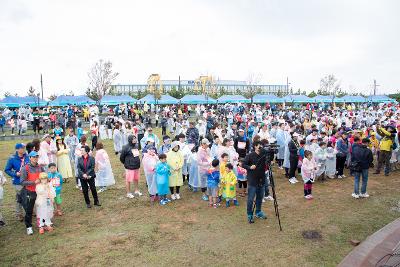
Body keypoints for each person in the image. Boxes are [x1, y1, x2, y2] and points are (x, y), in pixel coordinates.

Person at [20, 151, 45, 235]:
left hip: (40, 191)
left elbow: (44, 176)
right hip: (30, 192)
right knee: (29, 210)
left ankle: (42, 223)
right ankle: (29, 227)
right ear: (30, 158)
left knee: (41, 208)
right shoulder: (25, 168)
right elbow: (22, 182)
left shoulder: (40, 167)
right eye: (33, 157)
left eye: (37, 157)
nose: (35, 158)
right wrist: (34, 182)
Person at [243, 140, 268, 223]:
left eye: (261, 145)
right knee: (250, 199)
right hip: (252, 180)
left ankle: (258, 211)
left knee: (260, 197)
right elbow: (243, 164)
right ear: (255, 146)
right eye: (258, 145)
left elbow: (269, 161)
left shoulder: (264, 154)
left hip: (262, 179)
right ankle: (249, 214)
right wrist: (250, 167)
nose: (260, 147)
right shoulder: (250, 155)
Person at [4, 143, 29, 221]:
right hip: (18, 181)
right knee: (20, 198)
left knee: (29, 196)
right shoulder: (12, 158)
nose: (24, 149)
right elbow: (7, 170)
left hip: (28, 181)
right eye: (22, 148)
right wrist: (15, 174)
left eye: (24, 148)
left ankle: (30, 211)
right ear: (17, 149)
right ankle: (19, 214)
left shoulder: (27, 157)